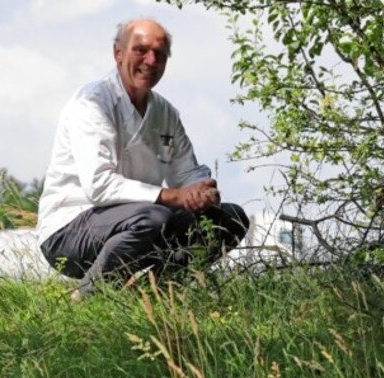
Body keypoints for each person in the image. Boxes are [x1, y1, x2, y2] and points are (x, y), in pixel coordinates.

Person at [36, 18, 249, 299]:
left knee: (230, 218)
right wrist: (174, 196)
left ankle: (155, 296)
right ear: (118, 53)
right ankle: (86, 299)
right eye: (141, 50)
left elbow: (186, 173)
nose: (151, 60)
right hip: (69, 230)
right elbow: (99, 185)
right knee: (154, 216)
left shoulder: (165, 113)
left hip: (141, 221)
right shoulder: (91, 103)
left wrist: (202, 190)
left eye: (159, 54)